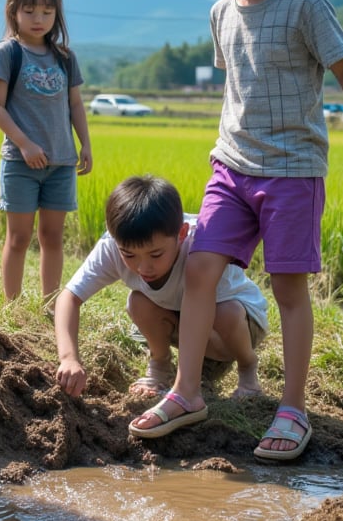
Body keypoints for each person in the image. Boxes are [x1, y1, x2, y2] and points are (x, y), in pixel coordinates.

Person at [130, 0, 343, 458]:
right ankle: (187, 390)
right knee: (200, 267)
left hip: (293, 171)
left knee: (287, 286)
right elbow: (240, 91)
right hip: (231, 165)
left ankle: (294, 409)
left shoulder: (305, 5)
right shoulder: (221, 14)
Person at [54, 175, 268, 414]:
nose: (143, 268)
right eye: (129, 255)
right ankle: (159, 364)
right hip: (185, 328)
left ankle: (248, 367)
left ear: (182, 233)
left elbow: (223, 311)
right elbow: (69, 297)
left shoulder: (203, 246)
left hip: (238, 328)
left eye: (156, 255)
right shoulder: (113, 246)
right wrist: (69, 358)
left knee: (224, 311)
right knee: (138, 302)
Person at [0, 0, 92, 305]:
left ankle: (50, 304)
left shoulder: (64, 57)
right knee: (18, 238)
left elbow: (75, 104)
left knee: (52, 237)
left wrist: (85, 144)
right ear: (13, 10)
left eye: (47, 12)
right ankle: (13, 305)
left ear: (56, 14)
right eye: (30, 10)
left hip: (61, 162)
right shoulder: (8, 53)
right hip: (21, 162)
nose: (38, 18)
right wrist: (25, 143)